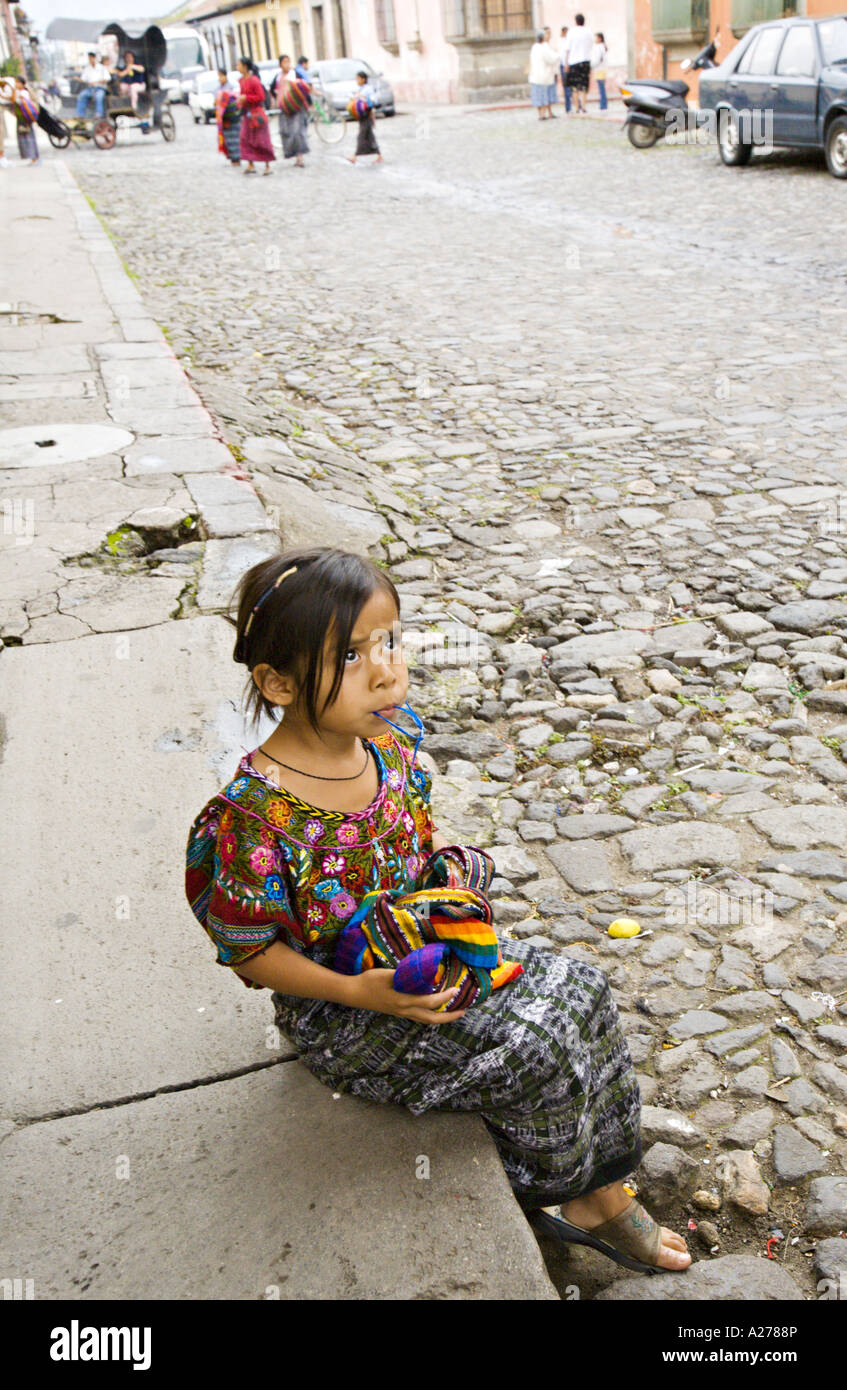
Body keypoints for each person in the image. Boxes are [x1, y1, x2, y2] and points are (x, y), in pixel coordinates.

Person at [184, 546, 693, 1276]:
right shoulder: (254, 821)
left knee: (584, 990)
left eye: (390, 640)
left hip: (422, 956)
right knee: (535, 1048)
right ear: (278, 682)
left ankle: (602, 1185)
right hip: (345, 1010)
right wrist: (360, 991)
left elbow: (413, 844)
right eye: (351, 654)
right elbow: (249, 950)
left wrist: (447, 877)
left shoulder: (386, 744)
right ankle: (550, 1192)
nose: (387, 668)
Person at [236, 55, 275, 175]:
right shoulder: (242, 81)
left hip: (256, 114)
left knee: (261, 139)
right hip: (247, 114)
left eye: (239, 65)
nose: (237, 67)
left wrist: (246, 97)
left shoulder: (254, 80)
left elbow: (261, 96)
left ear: (245, 66)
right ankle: (250, 164)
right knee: (246, 138)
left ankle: (267, 165)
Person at [275, 53, 309, 167]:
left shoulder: (295, 74)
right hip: (285, 109)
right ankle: (292, 154)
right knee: (287, 132)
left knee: (297, 132)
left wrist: (307, 102)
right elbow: (273, 90)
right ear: (280, 64)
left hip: (297, 108)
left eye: (288, 61)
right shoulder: (278, 77)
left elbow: (304, 88)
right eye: (284, 62)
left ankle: (300, 158)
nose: (287, 64)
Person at [346, 70, 381, 164]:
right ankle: (379, 155)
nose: (357, 80)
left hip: (367, 115)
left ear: (363, 79)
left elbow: (374, 100)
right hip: (362, 116)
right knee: (370, 136)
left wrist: (363, 98)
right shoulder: (360, 89)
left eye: (358, 78)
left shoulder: (368, 89)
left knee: (361, 136)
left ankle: (354, 156)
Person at [528, 27, 559, 121]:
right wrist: (558, 54)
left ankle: (541, 113)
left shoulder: (534, 47)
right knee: (544, 96)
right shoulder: (543, 48)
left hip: (535, 76)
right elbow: (551, 59)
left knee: (538, 96)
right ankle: (542, 114)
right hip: (544, 76)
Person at [8, 75, 39, 164]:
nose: (16, 84)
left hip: (24, 119)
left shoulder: (23, 93)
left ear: (22, 84)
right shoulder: (22, 92)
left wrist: (13, 91)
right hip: (24, 118)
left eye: (17, 82)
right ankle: (33, 158)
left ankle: (34, 158)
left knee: (28, 138)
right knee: (27, 137)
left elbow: (15, 101)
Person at [566, 13, 594, 114]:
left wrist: (566, 63)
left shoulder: (571, 32)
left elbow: (567, 49)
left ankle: (577, 107)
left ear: (575, 21)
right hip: (585, 60)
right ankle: (584, 106)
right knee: (584, 86)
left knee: (575, 88)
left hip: (573, 61)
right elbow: (591, 45)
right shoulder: (588, 32)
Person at [215, 67, 240, 165]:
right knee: (228, 139)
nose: (220, 78)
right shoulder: (218, 88)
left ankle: (237, 158)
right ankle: (233, 157)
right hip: (224, 119)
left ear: (225, 76)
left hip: (233, 117)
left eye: (221, 76)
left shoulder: (232, 86)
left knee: (236, 138)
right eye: (219, 76)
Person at [75, 51, 110, 120]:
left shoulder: (102, 68)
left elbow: (107, 79)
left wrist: (96, 82)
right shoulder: (87, 69)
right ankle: (80, 115)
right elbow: (84, 79)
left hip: (100, 88)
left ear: (95, 58)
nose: (90, 60)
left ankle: (99, 114)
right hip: (90, 89)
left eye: (91, 58)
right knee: (81, 96)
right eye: (89, 58)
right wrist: (78, 79)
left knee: (99, 97)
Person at [592, 32, 608, 113]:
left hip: (599, 69)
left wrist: (592, 66)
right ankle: (603, 104)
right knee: (602, 88)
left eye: (596, 38)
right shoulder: (602, 47)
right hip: (602, 69)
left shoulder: (599, 47)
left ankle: (603, 104)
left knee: (601, 88)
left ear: (600, 38)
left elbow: (598, 59)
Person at [558, 25, 572, 115]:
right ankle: (568, 107)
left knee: (572, 87)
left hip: (570, 65)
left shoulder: (570, 41)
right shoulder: (560, 42)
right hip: (563, 65)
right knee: (566, 87)